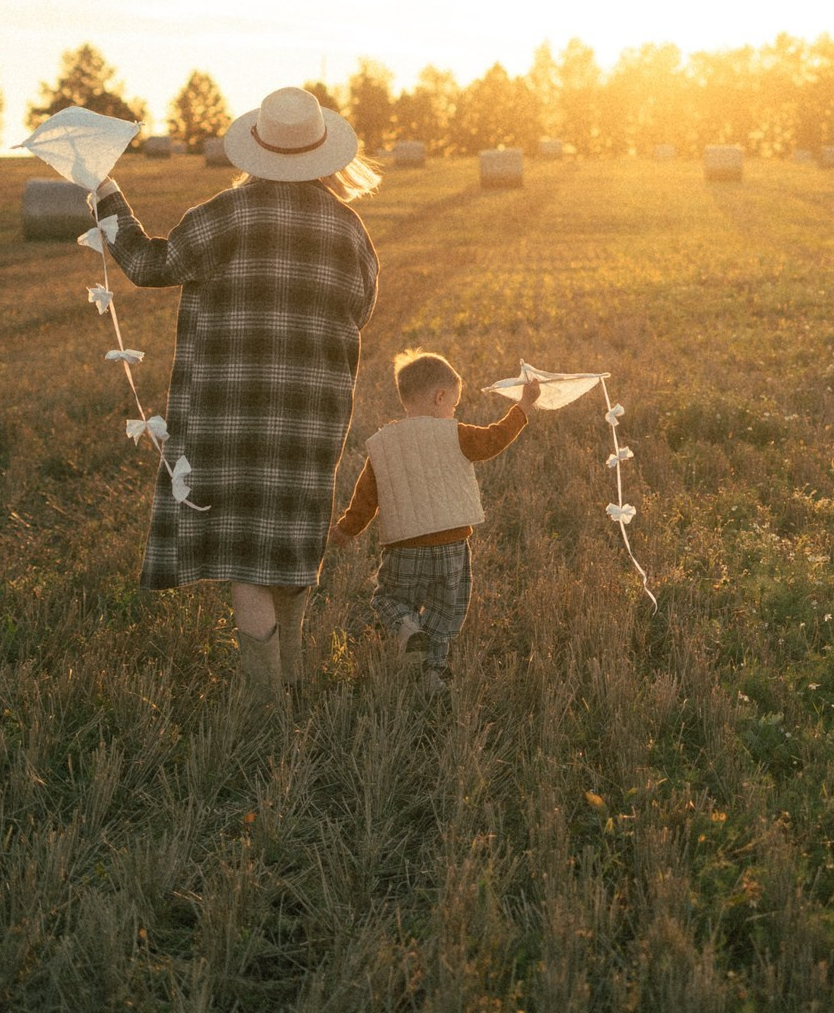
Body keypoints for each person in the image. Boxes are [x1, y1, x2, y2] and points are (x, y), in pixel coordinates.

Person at [98, 85, 381, 705]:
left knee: (245, 558)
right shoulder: (348, 227)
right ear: (321, 153)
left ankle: (263, 706)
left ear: (255, 149)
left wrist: (105, 196)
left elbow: (148, 265)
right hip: (312, 415)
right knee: (289, 545)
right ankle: (296, 681)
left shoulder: (222, 215)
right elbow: (361, 310)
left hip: (226, 415)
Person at [331, 352, 542, 687]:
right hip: (452, 548)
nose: (453, 412)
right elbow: (494, 439)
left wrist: (346, 529)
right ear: (440, 396)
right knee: (446, 611)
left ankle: (405, 626)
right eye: (454, 404)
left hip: (404, 549)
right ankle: (434, 671)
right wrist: (524, 407)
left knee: (389, 599)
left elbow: (365, 498)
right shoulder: (455, 433)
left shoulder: (383, 444)